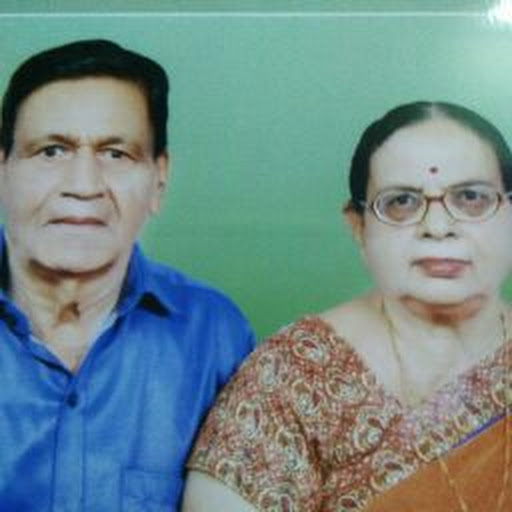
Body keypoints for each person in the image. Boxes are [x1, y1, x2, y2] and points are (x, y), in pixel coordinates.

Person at [183, 101, 512, 511]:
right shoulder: (293, 375)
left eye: (471, 197)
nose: (438, 227)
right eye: (402, 202)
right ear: (358, 226)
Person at [0, 39, 254, 510]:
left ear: (159, 179)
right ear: (3, 169)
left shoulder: (215, 336)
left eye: (116, 154)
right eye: (52, 151)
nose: (83, 186)